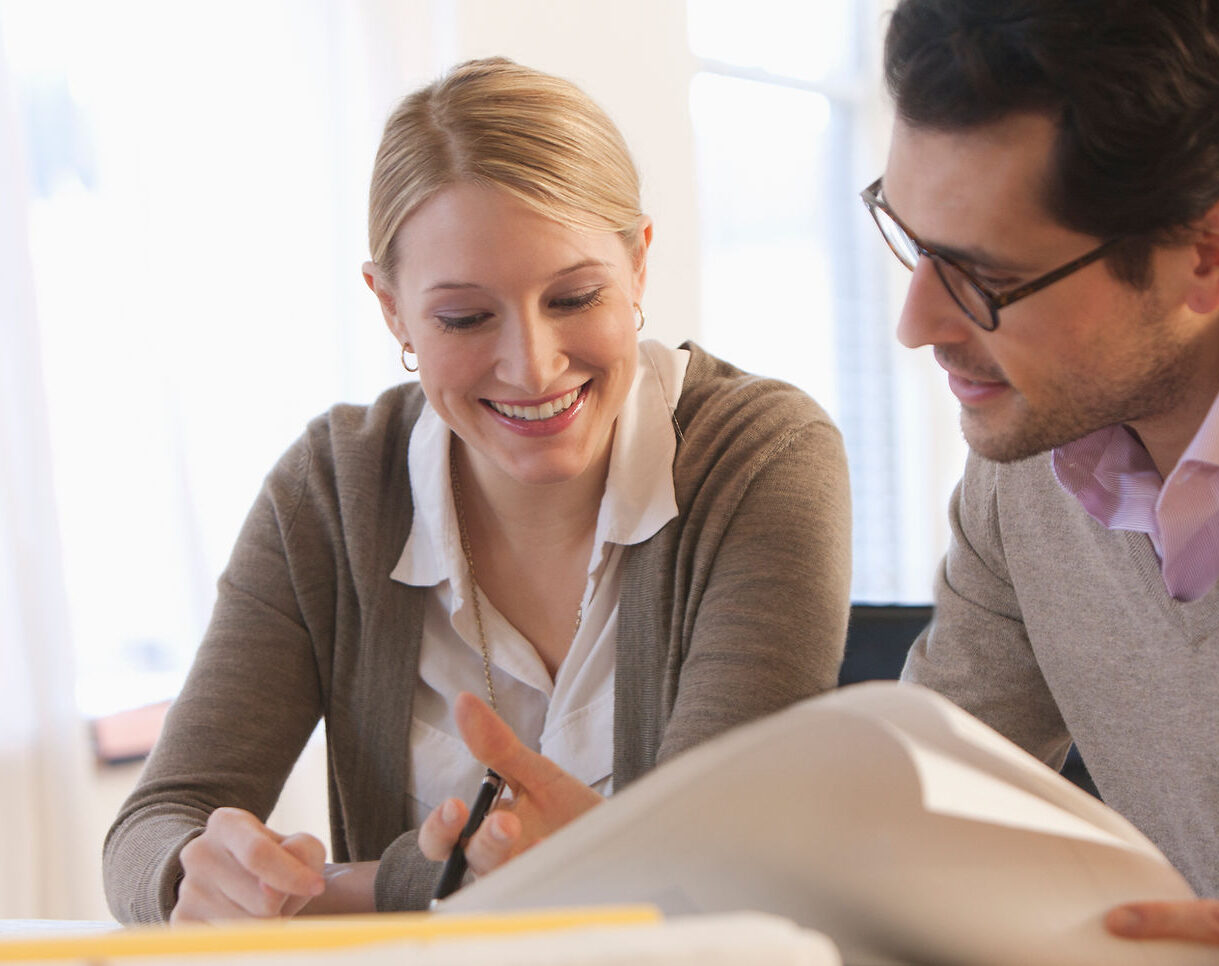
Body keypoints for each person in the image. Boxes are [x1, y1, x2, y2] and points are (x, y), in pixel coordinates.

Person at [102, 56, 852, 922]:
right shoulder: (333, 490)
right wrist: (193, 876)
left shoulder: (760, 456)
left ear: (639, 266)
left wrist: (360, 890)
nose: (531, 365)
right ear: (392, 310)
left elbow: (714, 861)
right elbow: (153, 825)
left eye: (574, 297)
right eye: (464, 317)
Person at [861, 0, 1219, 960]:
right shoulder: (1030, 465)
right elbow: (919, 817)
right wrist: (642, 872)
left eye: (983, 278)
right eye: (914, 242)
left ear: (1209, 257)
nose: (916, 322)